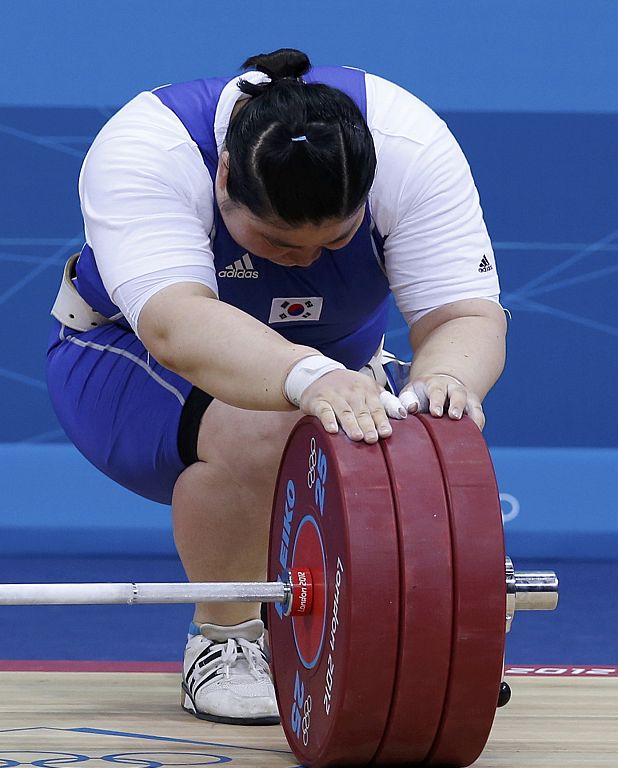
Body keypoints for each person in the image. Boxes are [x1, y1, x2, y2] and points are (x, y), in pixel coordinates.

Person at [46, 48, 506, 726]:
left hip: (331, 375)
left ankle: (415, 645)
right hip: (126, 363)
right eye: (280, 243)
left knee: (435, 422)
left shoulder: (405, 141)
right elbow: (175, 324)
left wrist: (444, 384)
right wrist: (313, 379)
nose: (307, 262)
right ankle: (224, 642)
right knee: (268, 425)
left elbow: (463, 316)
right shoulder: (152, 146)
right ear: (226, 175)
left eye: (335, 241)